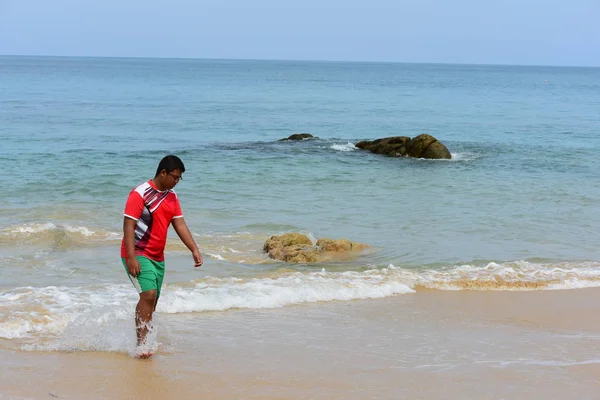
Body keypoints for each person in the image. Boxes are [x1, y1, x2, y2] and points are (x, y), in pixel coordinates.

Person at [121, 155, 203, 358]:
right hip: (137, 252)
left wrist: (194, 248)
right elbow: (128, 225)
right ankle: (141, 347)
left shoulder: (172, 196)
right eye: (175, 177)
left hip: (158, 257)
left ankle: (146, 341)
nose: (176, 181)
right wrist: (131, 257)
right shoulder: (140, 194)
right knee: (147, 295)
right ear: (163, 173)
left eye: (179, 179)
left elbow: (180, 224)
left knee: (153, 301)